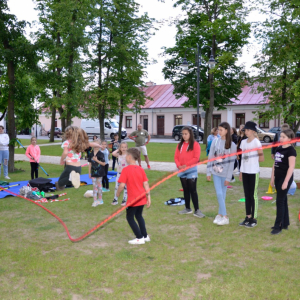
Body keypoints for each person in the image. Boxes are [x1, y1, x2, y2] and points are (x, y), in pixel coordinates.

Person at [116, 147, 151, 245]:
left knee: (130, 217)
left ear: (130, 157)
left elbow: (122, 185)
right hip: (142, 198)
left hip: (133, 200)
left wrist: (117, 194)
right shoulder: (140, 169)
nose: (125, 157)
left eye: (126, 155)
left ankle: (139, 238)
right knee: (139, 215)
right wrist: (148, 197)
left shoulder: (126, 170)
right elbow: (146, 184)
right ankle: (145, 236)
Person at [207, 122, 237, 225]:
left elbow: (232, 163)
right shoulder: (215, 142)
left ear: (227, 131)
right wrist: (208, 172)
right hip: (215, 173)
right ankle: (223, 215)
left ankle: (222, 216)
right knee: (219, 193)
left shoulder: (232, 145)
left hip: (225, 175)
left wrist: (228, 178)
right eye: (218, 130)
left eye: (221, 130)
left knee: (222, 195)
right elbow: (210, 157)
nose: (219, 132)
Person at [270, 129, 296, 235]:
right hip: (278, 177)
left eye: (283, 137)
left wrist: (286, 182)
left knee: (279, 201)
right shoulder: (279, 148)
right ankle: (285, 223)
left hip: (286, 178)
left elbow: (291, 167)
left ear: (290, 139)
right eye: (280, 136)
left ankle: (278, 226)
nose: (281, 138)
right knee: (283, 200)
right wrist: (272, 178)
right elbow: (274, 164)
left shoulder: (291, 151)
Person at [238, 121, 264, 228]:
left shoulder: (256, 143)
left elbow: (262, 158)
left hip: (253, 172)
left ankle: (254, 218)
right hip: (245, 172)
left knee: (253, 196)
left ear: (253, 131)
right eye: (245, 130)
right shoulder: (243, 142)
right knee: (247, 195)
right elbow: (243, 159)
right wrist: (241, 172)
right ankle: (248, 217)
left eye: (248, 130)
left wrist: (254, 157)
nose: (246, 132)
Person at [174, 126, 204, 218]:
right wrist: (179, 166)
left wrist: (186, 165)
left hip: (191, 170)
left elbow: (196, 158)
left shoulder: (195, 144)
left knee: (193, 190)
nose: (184, 135)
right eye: (182, 134)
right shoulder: (180, 145)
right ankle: (187, 208)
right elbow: (176, 157)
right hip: (182, 170)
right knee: (185, 190)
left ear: (190, 134)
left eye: (186, 134)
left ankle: (197, 210)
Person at [55, 126, 90, 191]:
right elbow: (89, 145)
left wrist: (61, 160)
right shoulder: (79, 143)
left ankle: (61, 185)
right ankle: (72, 179)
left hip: (70, 166)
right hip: (78, 167)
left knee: (60, 181)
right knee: (69, 179)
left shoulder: (67, 142)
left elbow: (65, 153)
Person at [88, 140, 106, 207]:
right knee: (94, 186)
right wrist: (89, 173)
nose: (96, 146)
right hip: (93, 173)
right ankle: (95, 201)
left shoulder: (101, 154)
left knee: (99, 186)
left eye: (98, 145)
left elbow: (104, 164)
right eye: (95, 145)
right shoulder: (91, 154)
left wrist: (96, 160)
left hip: (100, 173)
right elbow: (90, 164)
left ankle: (100, 199)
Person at [111, 142, 128, 206]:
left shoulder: (128, 155)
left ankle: (124, 200)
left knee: (125, 187)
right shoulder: (118, 155)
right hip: (119, 173)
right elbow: (113, 153)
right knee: (117, 186)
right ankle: (115, 199)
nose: (123, 148)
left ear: (127, 148)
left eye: (125, 147)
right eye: (122, 147)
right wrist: (118, 149)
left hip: (126, 174)